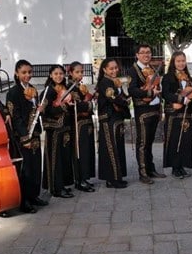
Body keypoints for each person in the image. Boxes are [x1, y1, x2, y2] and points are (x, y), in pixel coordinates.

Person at [6, 59, 48, 213]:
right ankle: (24, 201)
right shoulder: (13, 92)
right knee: (25, 169)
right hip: (22, 136)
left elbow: (35, 110)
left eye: (29, 72)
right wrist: (25, 137)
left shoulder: (33, 90)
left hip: (35, 133)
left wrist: (40, 109)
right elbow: (15, 117)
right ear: (17, 73)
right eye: (24, 72)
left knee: (36, 166)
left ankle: (34, 196)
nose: (27, 75)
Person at [127, 44, 166, 184]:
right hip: (143, 111)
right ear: (137, 55)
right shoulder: (133, 70)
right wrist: (149, 92)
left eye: (148, 52)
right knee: (142, 142)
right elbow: (132, 90)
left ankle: (151, 169)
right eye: (143, 53)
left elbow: (157, 86)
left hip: (154, 110)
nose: (146, 55)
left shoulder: (153, 68)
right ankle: (143, 172)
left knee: (150, 142)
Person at [41, 65, 76, 198]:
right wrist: (62, 106)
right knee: (55, 159)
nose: (58, 76)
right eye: (55, 74)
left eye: (61, 74)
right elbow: (45, 110)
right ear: (50, 75)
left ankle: (63, 185)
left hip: (65, 128)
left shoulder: (65, 89)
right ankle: (56, 188)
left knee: (64, 158)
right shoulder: (48, 91)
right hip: (54, 129)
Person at [162, 51, 192, 178]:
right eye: (178, 61)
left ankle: (182, 166)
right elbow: (166, 94)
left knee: (185, 140)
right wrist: (181, 99)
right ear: (173, 62)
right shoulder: (168, 77)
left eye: (183, 61)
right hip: (173, 113)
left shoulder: (188, 77)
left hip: (185, 113)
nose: (181, 63)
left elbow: (191, 93)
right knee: (174, 139)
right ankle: (175, 167)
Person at [97, 58, 131, 188]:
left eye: (116, 67)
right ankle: (112, 178)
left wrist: (125, 97)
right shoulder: (105, 82)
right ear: (104, 69)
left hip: (117, 118)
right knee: (110, 148)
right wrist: (126, 102)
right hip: (108, 119)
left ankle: (117, 176)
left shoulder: (114, 82)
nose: (114, 70)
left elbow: (121, 96)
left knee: (117, 146)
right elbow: (113, 99)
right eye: (111, 68)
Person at [69, 61, 96, 192]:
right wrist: (89, 104)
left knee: (88, 150)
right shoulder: (70, 87)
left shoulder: (80, 86)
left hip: (87, 122)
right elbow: (77, 106)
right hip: (78, 123)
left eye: (81, 72)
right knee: (81, 152)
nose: (80, 74)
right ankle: (79, 180)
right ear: (70, 73)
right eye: (77, 72)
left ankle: (85, 178)